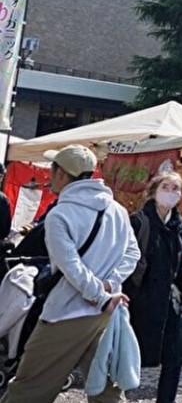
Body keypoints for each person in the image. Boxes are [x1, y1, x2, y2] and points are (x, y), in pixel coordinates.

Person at [0, 144, 140, 403]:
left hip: (68, 312)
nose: (49, 177)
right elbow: (132, 254)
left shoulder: (61, 214)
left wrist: (100, 295)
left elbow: (71, 266)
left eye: (52, 170)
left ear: (62, 174)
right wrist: (109, 286)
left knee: (28, 389)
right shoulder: (118, 210)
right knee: (106, 392)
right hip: (106, 314)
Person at [125, 172, 182, 403]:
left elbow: (181, 266)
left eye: (176, 188)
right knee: (126, 357)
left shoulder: (180, 226)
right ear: (153, 190)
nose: (170, 192)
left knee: (174, 358)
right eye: (166, 186)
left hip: (168, 302)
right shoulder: (138, 221)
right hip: (138, 301)